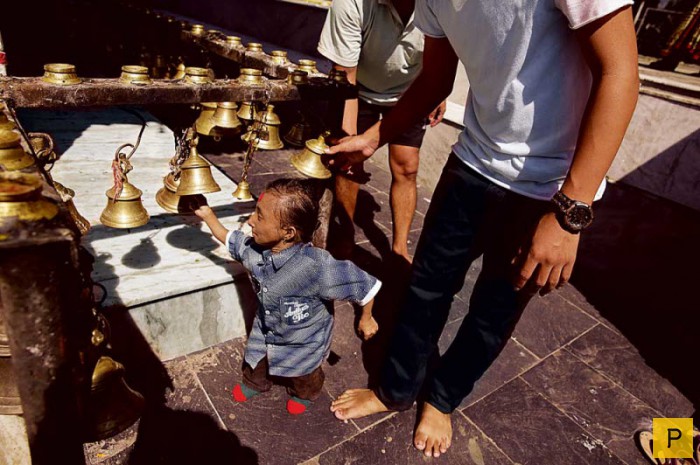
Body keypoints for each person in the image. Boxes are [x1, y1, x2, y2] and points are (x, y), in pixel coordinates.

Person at [326, 0, 640, 458]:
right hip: (472, 162)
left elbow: (621, 74)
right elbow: (435, 79)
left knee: (495, 309)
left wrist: (570, 214)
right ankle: (395, 389)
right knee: (426, 288)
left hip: (549, 187)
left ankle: (442, 398)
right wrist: (374, 137)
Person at [195, 178, 381, 415]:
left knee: (304, 374)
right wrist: (207, 215)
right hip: (266, 330)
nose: (250, 221)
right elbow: (230, 239)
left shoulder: (317, 266)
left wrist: (366, 318)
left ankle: (305, 393)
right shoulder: (255, 251)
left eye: (260, 216)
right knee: (256, 359)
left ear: (288, 232)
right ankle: (255, 382)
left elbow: (365, 286)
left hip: (303, 342)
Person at [317, 0, 446, 263]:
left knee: (407, 167)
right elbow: (345, 78)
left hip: (409, 94)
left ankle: (399, 250)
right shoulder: (351, 3)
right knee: (349, 165)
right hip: (356, 89)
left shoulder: (441, 5)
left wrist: (436, 92)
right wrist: (350, 140)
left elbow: (441, 57)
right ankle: (345, 236)